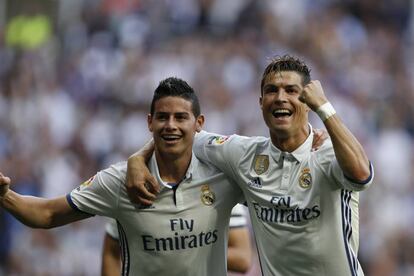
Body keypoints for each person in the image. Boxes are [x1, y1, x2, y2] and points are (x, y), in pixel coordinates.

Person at [126, 55, 374, 276]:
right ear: (260, 102)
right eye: (271, 90)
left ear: (308, 102)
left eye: (291, 91)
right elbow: (180, 133)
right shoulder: (243, 155)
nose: (280, 98)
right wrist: (137, 158)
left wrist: (325, 107)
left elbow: (362, 174)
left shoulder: (330, 153)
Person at [0, 77, 248, 276]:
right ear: (150, 123)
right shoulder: (120, 181)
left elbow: (247, 254)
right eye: (162, 117)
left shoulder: (222, 176)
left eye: (180, 117)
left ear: (199, 123)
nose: (170, 125)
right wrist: (6, 196)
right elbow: (48, 213)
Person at [101, 204, 252, 276]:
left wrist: (177, 252)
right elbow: (112, 250)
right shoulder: (135, 186)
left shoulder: (219, 186)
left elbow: (243, 258)